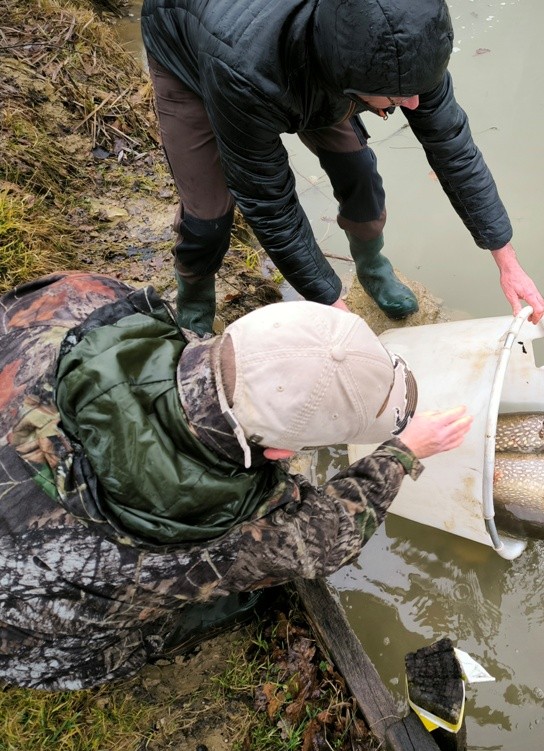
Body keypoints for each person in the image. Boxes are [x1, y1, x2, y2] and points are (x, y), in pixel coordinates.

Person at [0, 271, 473, 690]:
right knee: (243, 601)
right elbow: (330, 538)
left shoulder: (87, 298)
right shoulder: (242, 534)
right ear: (282, 454)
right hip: (19, 631)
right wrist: (403, 451)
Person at [140, 0, 544, 332]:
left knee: (360, 177)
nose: (414, 106)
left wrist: (507, 262)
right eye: (397, 98)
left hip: (318, 58)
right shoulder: (244, 74)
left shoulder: (408, 45)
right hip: (191, 50)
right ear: (348, 83)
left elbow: (454, 149)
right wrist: (332, 303)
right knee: (208, 216)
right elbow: (270, 202)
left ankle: (372, 266)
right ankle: (194, 308)